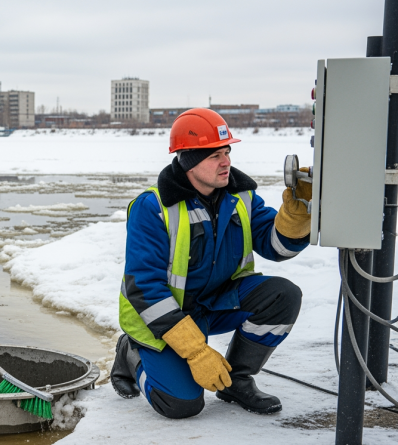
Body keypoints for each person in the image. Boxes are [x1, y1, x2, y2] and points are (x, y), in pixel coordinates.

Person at [110, 108, 311, 418]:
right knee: (180, 405)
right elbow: (146, 289)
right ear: (189, 160)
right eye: (214, 155)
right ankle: (132, 353)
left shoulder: (240, 197)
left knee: (283, 296)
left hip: (216, 302)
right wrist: (196, 351)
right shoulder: (153, 208)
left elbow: (277, 246)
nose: (226, 161)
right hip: (163, 319)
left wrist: (297, 216)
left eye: (227, 151)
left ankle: (237, 380)